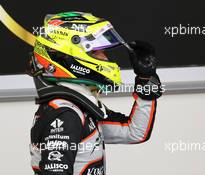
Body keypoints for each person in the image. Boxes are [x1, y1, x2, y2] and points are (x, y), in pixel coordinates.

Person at [29, 12, 162, 175]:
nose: (105, 58)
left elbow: (134, 131)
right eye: (96, 51)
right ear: (71, 56)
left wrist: (145, 79)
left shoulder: (78, 106)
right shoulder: (65, 114)